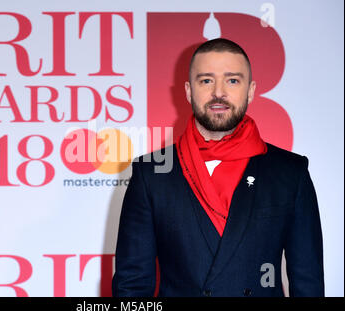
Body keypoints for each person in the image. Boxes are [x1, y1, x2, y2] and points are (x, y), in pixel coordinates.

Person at [112, 38, 324, 297]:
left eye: (232, 80)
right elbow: (132, 287)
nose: (219, 92)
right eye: (206, 80)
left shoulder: (291, 172)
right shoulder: (151, 174)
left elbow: (308, 284)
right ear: (189, 91)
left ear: (251, 90)